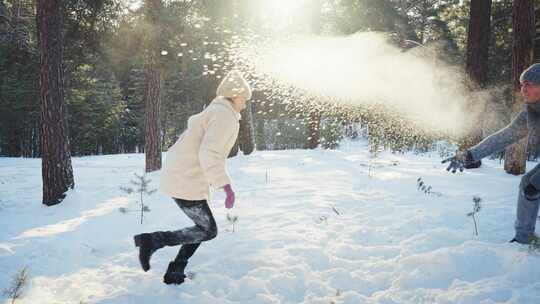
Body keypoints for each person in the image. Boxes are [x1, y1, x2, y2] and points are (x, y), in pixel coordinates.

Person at [133, 70, 252, 284]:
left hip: (185, 175)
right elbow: (209, 153)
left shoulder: (219, 111)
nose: (245, 103)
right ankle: (152, 241)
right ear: (235, 95)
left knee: (200, 228)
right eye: (244, 98)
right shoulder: (224, 115)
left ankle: (175, 271)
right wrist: (225, 185)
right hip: (185, 178)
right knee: (207, 229)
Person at [443, 63, 540, 244]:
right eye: (522, 84)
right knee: (528, 185)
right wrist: (470, 155)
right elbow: (505, 136)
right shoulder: (530, 113)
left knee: (534, 184)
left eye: (529, 84)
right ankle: (523, 239)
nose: (523, 89)